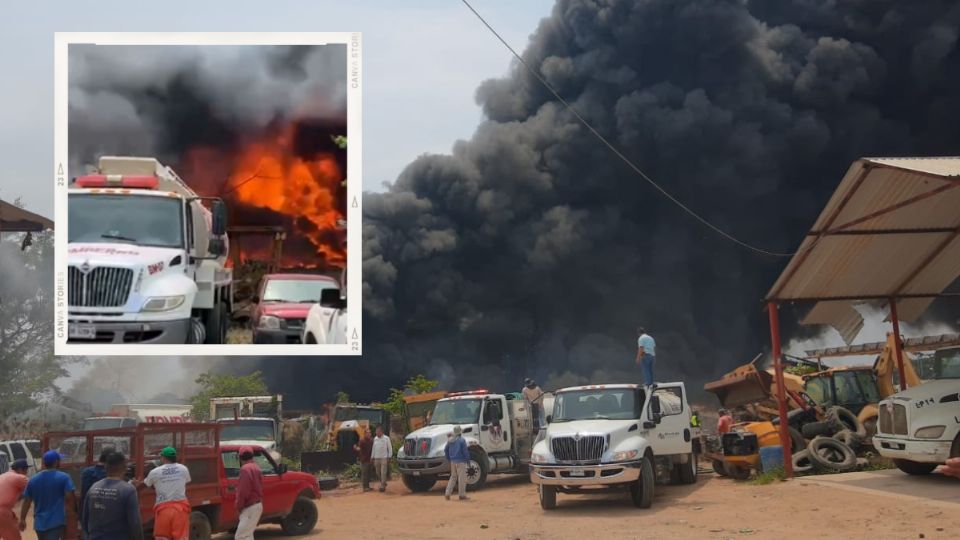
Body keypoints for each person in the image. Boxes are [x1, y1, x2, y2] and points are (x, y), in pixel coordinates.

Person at [81, 452, 143, 540]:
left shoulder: (94, 487)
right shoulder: (128, 490)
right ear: (125, 468)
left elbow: (85, 518)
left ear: (105, 468)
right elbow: (135, 523)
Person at [135, 447, 190, 540]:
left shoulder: (155, 472)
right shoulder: (183, 469)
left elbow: (143, 486)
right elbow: (184, 481)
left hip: (163, 510)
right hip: (180, 510)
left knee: (162, 538)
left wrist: (134, 486)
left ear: (163, 458)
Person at [20, 451, 76, 540]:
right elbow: (69, 498)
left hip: (39, 523)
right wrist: (71, 514)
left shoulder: (33, 479)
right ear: (56, 462)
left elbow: (27, 501)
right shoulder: (64, 477)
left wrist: (22, 519)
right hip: (56, 522)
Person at [235, 447, 263, 540]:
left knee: (240, 536)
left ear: (240, 457)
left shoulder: (244, 469)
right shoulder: (256, 467)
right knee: (248, 535)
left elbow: (243, 492)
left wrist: (239, 506)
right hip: (257, 505)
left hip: (249, 508)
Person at [0, 459, 30, 540]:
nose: (26, 473)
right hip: (2, 511)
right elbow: (34, 490)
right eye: (25, 470)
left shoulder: (3, 476)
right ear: (20, 469)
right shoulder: (20, 478)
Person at [443, 426, 470, 501]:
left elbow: (445, 450)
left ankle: (447, 493)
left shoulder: (450, 440)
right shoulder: (462, 440)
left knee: (453, 477)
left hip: (453, 461)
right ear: (460, 432)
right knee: (461, 478)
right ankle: (462, 495)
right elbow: (465, 452)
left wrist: (449, 458)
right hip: (461, 461)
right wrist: (468, 460)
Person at [371, 425, 393, 493]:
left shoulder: (386, 438)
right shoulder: (375, 439)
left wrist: (389, 456)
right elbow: (373, 449)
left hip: (384, 457)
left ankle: (382, 486)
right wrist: (372, 457)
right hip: (376, 457)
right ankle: (383, 482)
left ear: (381, 431)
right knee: (378, 472)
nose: (376, 433)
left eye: (378, 431)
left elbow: (390, 448)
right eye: (376, 431)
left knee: (383, 472)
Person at [352, 427, 375, 492]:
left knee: (369, 474)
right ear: (365, 434)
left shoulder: (372, 440)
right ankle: (365, 487)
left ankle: (367, 486)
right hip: (364, 460)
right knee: (364, 474)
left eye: (370, 433)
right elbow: (359, 448)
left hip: (370, 459)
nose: (369, 434)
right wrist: (356, 448)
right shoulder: (362, 440)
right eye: (368, 433)